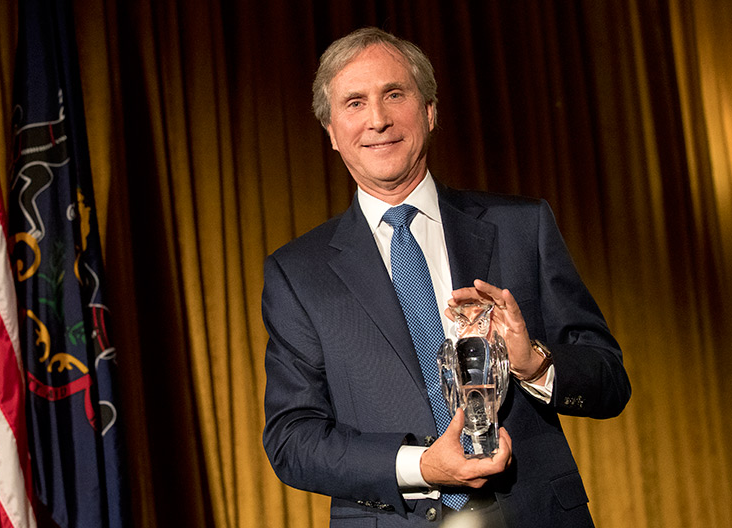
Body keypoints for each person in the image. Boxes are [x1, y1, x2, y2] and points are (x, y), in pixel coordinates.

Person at [261, 27, 631, 527]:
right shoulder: (297, 273)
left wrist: (536, 365)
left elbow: (610, 381)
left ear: (430, 111)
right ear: (330, 130)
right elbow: (292, 440)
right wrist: (422, 466)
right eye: (354, 103)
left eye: (394, 94)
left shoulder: (522, 227)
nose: (378, 119)